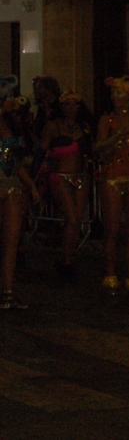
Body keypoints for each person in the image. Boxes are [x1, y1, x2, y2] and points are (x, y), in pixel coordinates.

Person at [94, 75, 129, 297]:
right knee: (112, 229)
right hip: (112, 177)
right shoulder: (106, 120)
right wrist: (115, 137)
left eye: (120, 93)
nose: (115, 97)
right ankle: (110, 274)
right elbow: (97, 148)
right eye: (113, 93)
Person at [39, 90, 93, 283]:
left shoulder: (84, 127)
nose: (72, 108)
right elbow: (42, 153)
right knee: (70, 218)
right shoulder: (53, 127)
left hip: (81, 176)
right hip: (60, 176)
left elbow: (91, 152)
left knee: (76, 220)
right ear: (61, 107)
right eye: (68, 104)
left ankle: (68, 258)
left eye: (75, 104)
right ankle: (66, 261)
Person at [1, 83, 40, 309]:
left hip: (12, 185)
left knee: (11, 241)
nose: (13, 101)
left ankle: (8, 292)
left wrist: (31, 185)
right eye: (9, 98)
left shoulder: (11, 124)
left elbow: (16, 163)